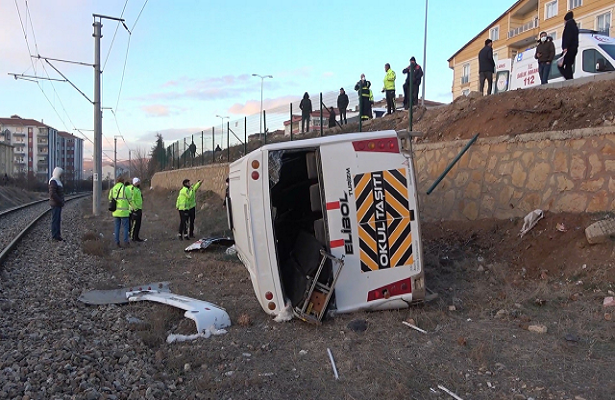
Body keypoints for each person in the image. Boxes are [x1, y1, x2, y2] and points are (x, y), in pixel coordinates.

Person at [109, 176, 132, 247]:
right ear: (123, 181)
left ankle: (117, 242)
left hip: (115, 212)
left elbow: (110, 198)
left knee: (117, 227)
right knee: (125, 227)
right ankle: (125, 242)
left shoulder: (112, 189)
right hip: (124, 212)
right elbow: (130, 199)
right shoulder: (125, 189)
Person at [559, 11, 579, 80]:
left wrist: (565, 47)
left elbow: (567, 37)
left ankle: (568, 78)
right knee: (568, 65)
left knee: (560, 64)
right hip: (574, 48)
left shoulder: (569, 25)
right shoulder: (575, 26)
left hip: (569, 49)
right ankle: (569, 78)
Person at [48, 167, 65, 241]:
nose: (61, 175)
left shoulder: (57, 181)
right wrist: (60, 201)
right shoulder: (53, 181)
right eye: (60, 173)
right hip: (56, 204)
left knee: (57, 220)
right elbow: (52, 193)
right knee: (55, 220)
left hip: (57, 204)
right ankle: (55, 236)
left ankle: (57, 235)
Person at [128, 177, 144, 242]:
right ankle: (132, 238)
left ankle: (136, 237)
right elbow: (131, 200)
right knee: (134, 225)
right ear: (136, 182)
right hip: (135, 210)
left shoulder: (137, 189)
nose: (139, 183)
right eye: (138, 182)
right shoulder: (132, 189)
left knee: (138, 224)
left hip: (139, 209)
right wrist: (135, 208)